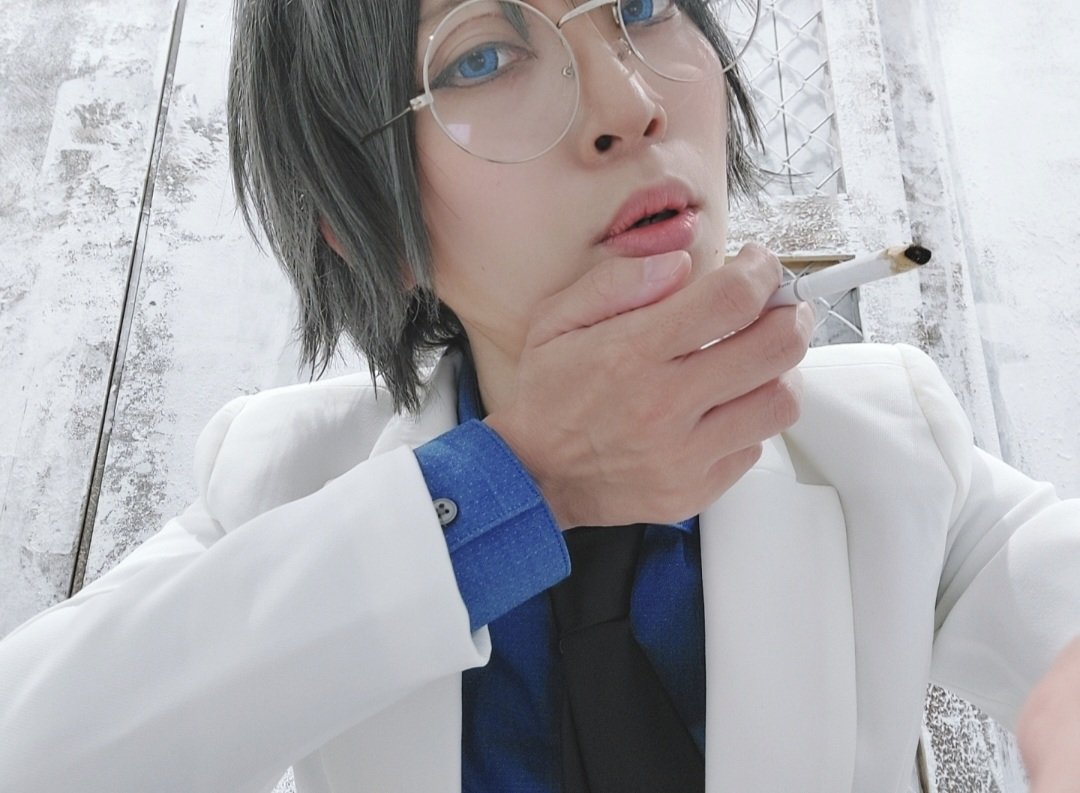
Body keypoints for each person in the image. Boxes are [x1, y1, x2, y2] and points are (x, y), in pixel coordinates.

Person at [0, 0, 1078, 791]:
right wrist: (518, 485)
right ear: (362, 228)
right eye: (482, 56)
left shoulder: (885, 447)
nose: (630, 106)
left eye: (643, 8)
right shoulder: (284, 479)